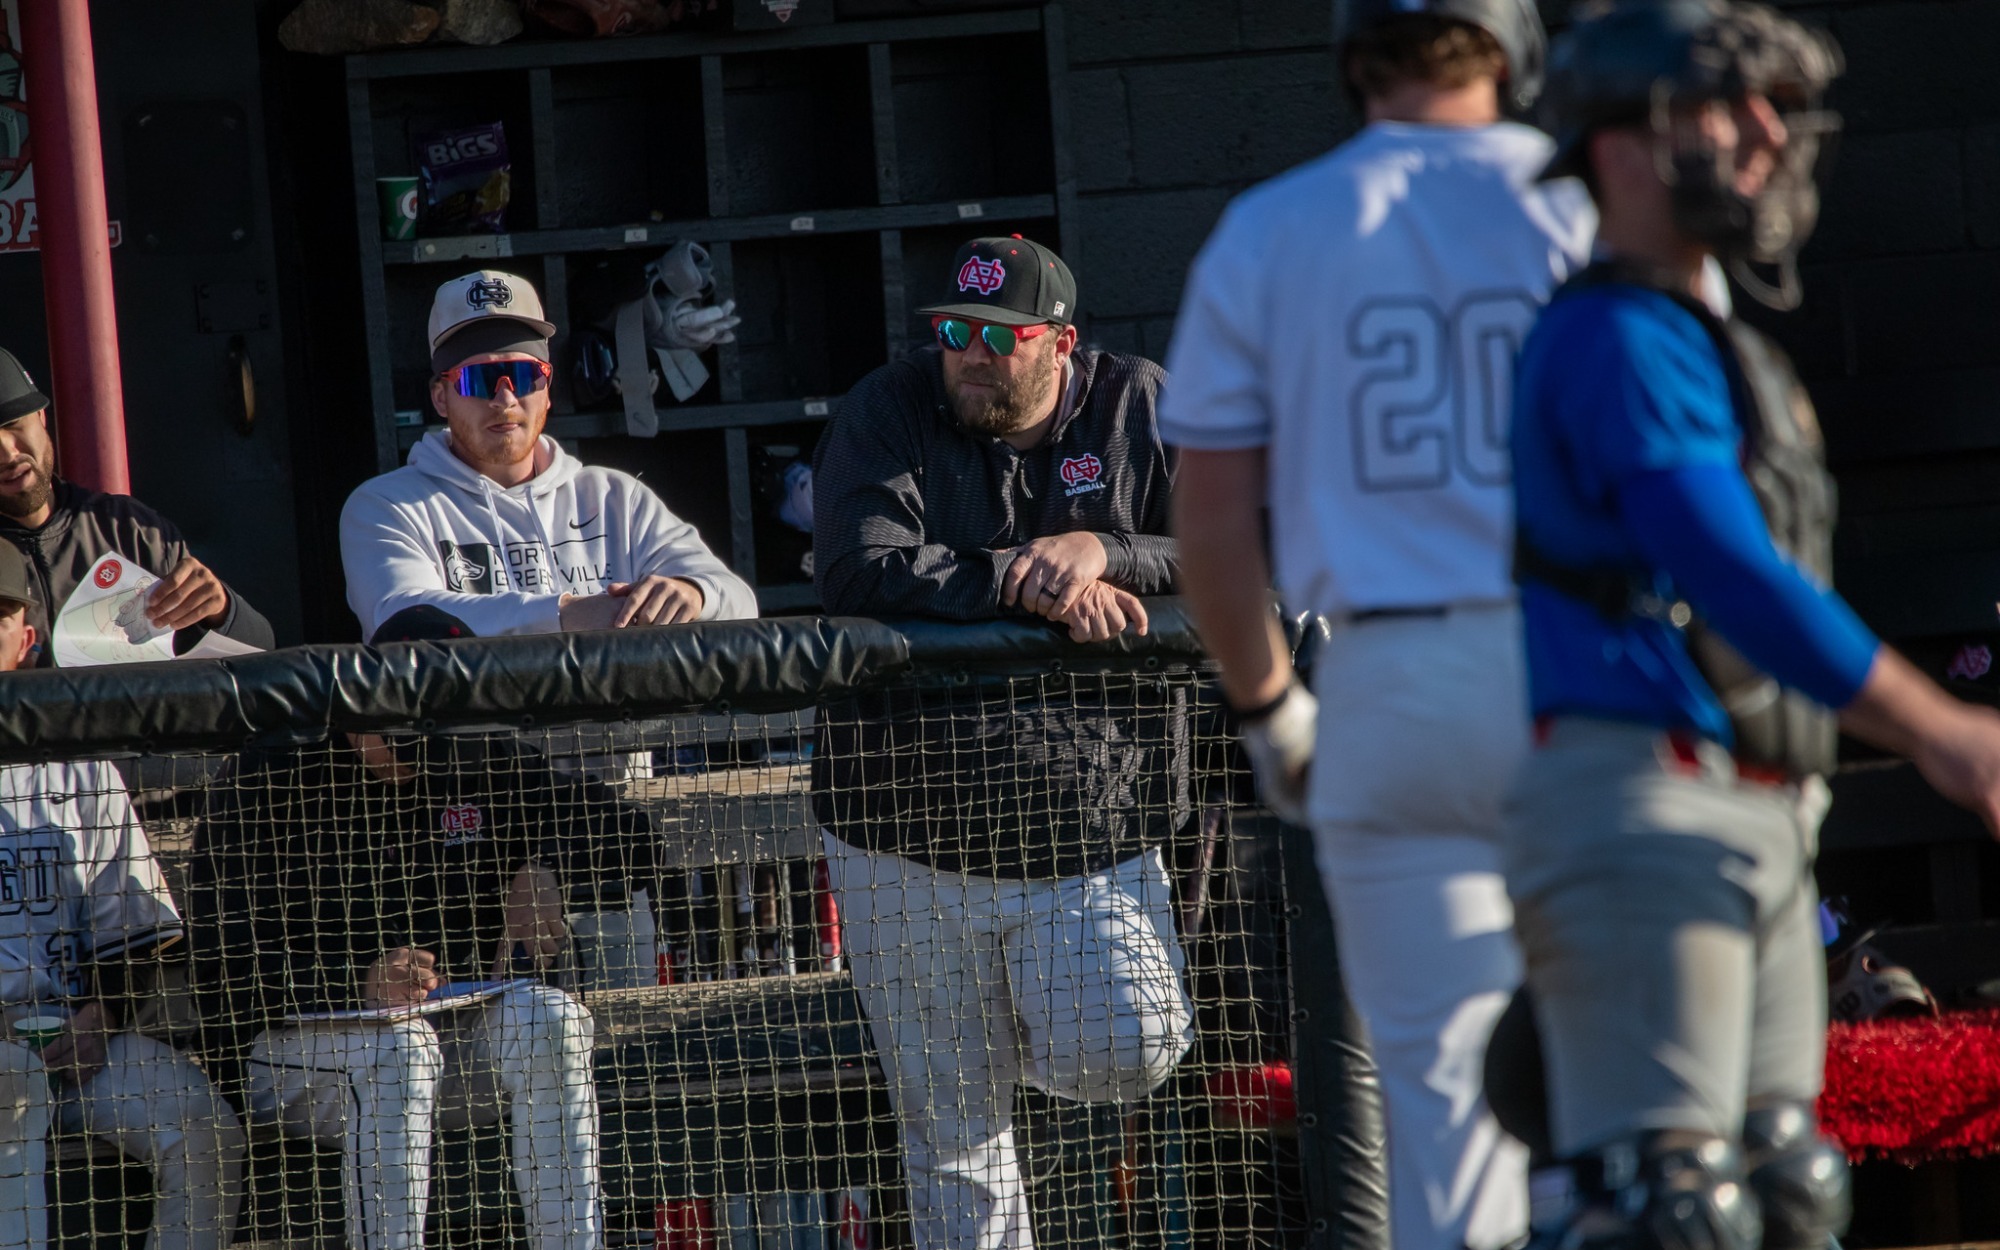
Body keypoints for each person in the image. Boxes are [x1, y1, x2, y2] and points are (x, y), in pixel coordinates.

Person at [1500, 4, 2000, 1248]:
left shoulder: (1703, 337)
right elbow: (1725, 568)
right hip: (1641, 804)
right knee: (1665, 1211)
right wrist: (1943, 730)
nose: (1766, 135)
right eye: (1722, 106)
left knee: (1781, 1190)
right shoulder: (1613, 336)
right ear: (1620, 140)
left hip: (1762, 804)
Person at [1160, 3, 1590, 1248]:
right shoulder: (1590, 200)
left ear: (1355, 54)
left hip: (1387, 674)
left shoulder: (1273, 223)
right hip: (1578, 668)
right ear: (1510, 43)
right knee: (1624, 1085)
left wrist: (1267, 705)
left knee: (1443, 1117)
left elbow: (1210, 519)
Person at [811, 235, 1193, 1250]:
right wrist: (1025, 579)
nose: (970, 354)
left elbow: (1231, 545)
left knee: (1131, 1041)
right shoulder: (887, 408)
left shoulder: (1132, 403)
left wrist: (1102, 548)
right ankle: (976, 1045)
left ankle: (1006, 1014)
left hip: (1087, 832)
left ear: (1059, 343)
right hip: (904, 837)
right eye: (954, 333)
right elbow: (854, 566)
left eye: (999, 337)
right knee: (953, 1138)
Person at [186, 607, 656, 1250]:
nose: (421, 761)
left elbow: (638, 839)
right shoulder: (271, 774)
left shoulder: (480, 754)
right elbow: (222, 967)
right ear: (357, 706)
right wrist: (356, 982)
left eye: (436, 736)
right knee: (399, 1051)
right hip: (296, 1054)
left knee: (554, 1017)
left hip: (457, 1033)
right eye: (403, 736)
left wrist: (551, 870)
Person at [0, 542, 246, 1250]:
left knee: (201, 1126)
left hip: (74, 1038)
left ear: (28, 639)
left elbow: (134, 927)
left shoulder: (77, 759)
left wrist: (101, 1015)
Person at [339, 269, 756, 640]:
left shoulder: (615, 497)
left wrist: (693, 593)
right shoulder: (385, 506)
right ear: (441, 398)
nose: (505, 398)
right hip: (480, 731)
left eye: (524, 376)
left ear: (547, 389)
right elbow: (401, 618)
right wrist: (564, 614)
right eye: (479, 379)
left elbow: (740, 601)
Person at [0, 348, 273, 667]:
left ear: (41, 417)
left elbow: (260, 652)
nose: (7, 453)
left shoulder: (129, 529)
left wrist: (220, 611)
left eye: (15, 424)